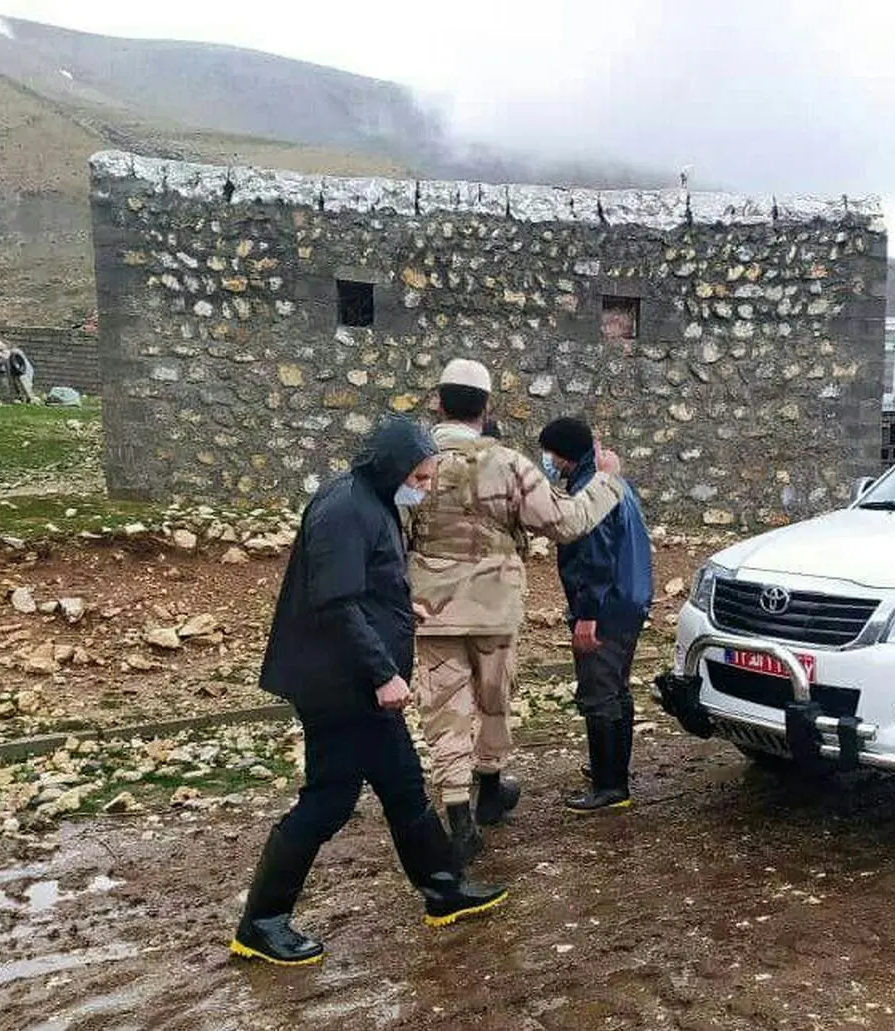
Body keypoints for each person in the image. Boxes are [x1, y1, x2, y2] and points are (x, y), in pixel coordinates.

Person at [230, 416, 508, 967]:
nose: (424, 488)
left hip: (356, 678)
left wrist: (404, 609)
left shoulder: (372, 498)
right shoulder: (345, 509)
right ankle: (261, 923)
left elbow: (367, 584)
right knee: (329, 800)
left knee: (403, 785)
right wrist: (384, 673)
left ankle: (442, 888)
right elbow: (335, 604)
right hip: (339, 685)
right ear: (394, 467)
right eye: (422, 478)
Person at [407, 359, 627, 864]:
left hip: (431, 609)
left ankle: (459, 817)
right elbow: (567, 522)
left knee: (445, 709)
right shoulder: (509, 463)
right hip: (495, 607)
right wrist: (608, 482)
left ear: (438, 401)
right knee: (493, 698)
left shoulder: (415, 462)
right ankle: (490, 789)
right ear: (486, 408)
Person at [538, 417, 653, 812]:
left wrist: (587, 615)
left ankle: (610, 788)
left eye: (550, 453)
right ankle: (611, 769)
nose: (547, 461)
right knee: (617, 690)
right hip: (629, 602)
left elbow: (595, 559)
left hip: (604, 608)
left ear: (563, 454)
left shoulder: (593, 490)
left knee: (599, 694)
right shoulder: (612, 480)